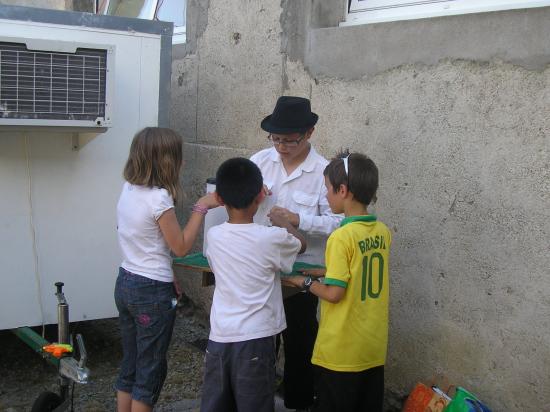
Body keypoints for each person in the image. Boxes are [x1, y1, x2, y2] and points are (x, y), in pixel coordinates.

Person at [114, 127, 219, 412]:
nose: (183, 162)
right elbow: (181, 247)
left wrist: (169, 274)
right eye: (179, 157)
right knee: (150, 369)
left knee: (131, 363)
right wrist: (201, 207)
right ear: (167, 162)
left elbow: (144, 241)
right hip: (150, 292)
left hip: (126, 282)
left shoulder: (129, 188)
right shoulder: (159, 199)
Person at [250, 96, 341, 410]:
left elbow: (340, 223)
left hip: (303, 274)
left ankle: (298, 403)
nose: (281, 146)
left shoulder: (324, 172)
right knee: (259, 345)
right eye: (276, 138)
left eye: (290, 140)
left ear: (310, 133)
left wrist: (299, 220)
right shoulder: (260, 161)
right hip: (261, 271)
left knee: (301, 344)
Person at [284, 152, 391, 412]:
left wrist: (302, 281)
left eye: (328, 190)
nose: (326, 196)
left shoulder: (341, 237)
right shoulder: (381, 232)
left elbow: (334, 294)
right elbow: (355, 271)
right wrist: (324, 270)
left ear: (343, 191)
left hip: (341, 351)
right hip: (372, 347)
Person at [201, 157, 306, 412]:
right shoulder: (270, 238)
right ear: (261, 195)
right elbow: (301, 244)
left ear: (221, 199)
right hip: (256, 339)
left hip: (219, 337)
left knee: (217, 404)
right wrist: (284, 223)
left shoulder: (214, 237)